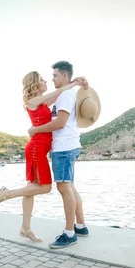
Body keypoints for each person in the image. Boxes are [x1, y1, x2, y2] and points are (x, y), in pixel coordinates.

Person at [0, 71, 84, 242]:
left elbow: (60, 95)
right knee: (45, 187)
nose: (46, 81)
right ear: (34, 85)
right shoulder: (32, 102)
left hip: (38, 149)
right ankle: (7, 194)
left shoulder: (42, 103)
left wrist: (75, 82)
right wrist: (72, 84)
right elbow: (57, 93)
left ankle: (25, 228)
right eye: (41, 80)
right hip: (36, 149)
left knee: (31, 188)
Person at [28, 61, 90, 249]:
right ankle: (80, 226)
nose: (52, 78)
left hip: (63, 148)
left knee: (65, 190)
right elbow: (43, 104)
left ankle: (69, 233)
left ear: (64, 76)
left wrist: (35, 130)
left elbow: (60, 123)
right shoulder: (65, 94)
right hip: (68, 145)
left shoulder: (65, 95)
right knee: (70, 187)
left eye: (55, 75)